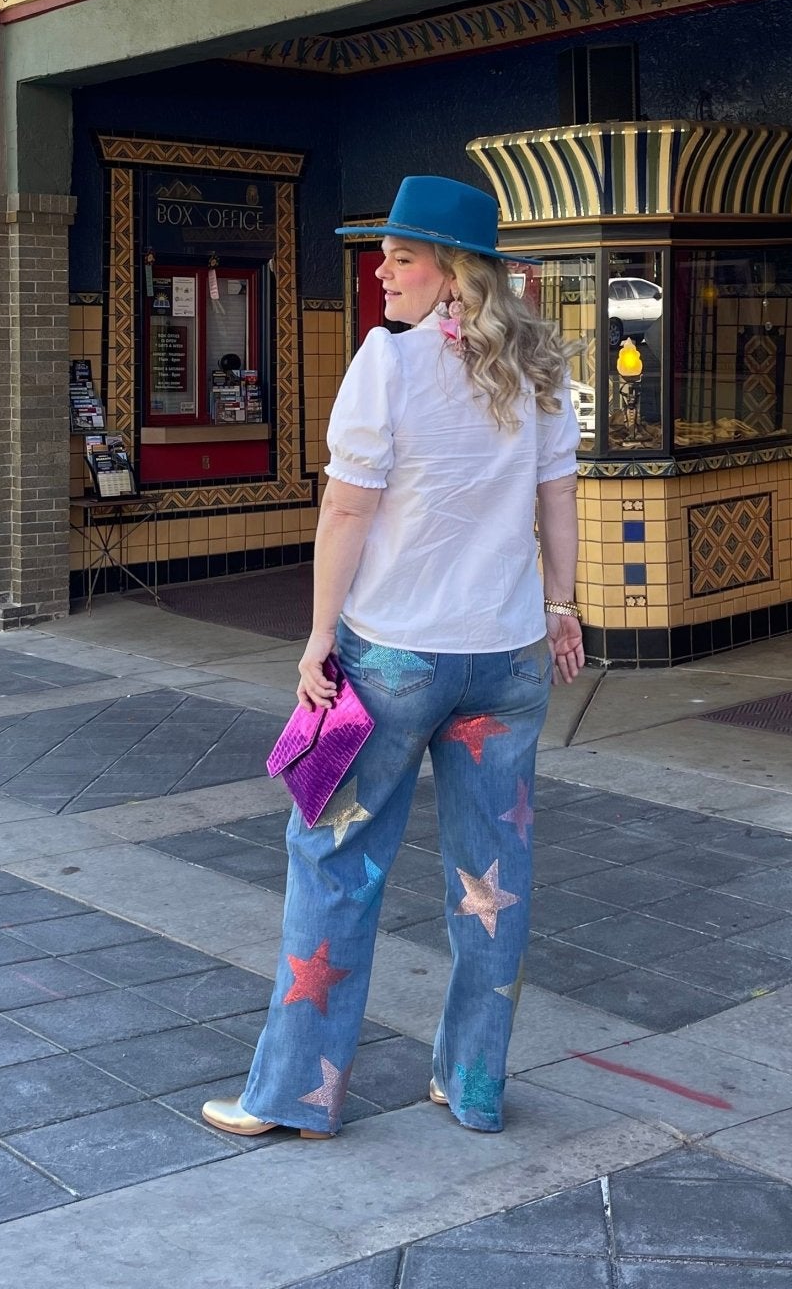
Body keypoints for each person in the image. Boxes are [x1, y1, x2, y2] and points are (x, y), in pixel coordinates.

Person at [201, 174, 582, 1142]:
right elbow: (559, 502)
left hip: (393, 658)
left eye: (402, 255)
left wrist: (320, 634)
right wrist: (564, 605)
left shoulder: (388, 363)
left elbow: (347, 508)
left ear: (455, 275)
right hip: (508, 658)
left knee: (332, 855)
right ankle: (474, 1082)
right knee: (494, 874)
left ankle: (295, 1092)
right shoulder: (541, 370)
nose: (381, 269)